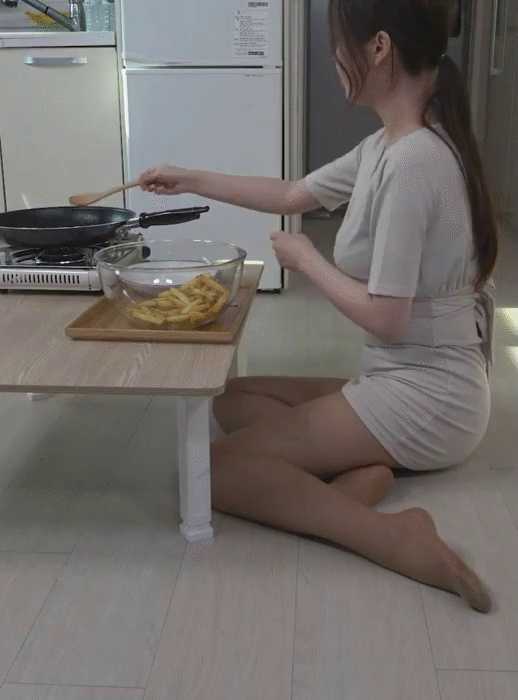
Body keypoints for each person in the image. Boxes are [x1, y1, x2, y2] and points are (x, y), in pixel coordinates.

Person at [139, 0, 497, 613]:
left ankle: (393, 536)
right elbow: (291, 193)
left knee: (211, 470)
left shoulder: (414, 163)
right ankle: (360, 474)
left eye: (340, 43)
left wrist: (307, 261)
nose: (334, 57)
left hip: (432, 398)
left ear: (379, 48)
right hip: (399, 374)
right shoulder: (387, 146)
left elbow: (386, 317)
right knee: (231, 399)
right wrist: (189, 177)